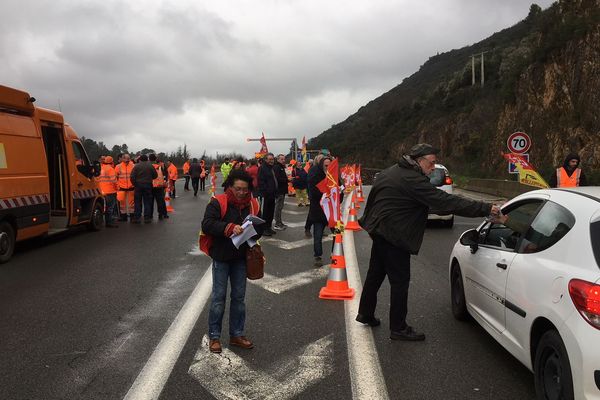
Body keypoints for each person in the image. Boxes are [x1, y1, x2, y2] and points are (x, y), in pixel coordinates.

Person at [356, 143, 500, 341]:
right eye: (431, 163)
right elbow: (446, 201)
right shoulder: (413, 180)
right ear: (418, 160)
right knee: (400, 282)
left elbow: (372, 199)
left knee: (375, 275)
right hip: (395, 236)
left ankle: (365, 313)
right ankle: (398, 328)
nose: (433, 168)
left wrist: (370, 224)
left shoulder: (391, 171)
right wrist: (485, 208)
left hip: (380, 232)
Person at [201, 169, 262, 354]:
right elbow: (207, 224)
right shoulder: (218, 202)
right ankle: (214, 336)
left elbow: (260, 229)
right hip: (221, 256)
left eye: (245, 189)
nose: (242, 192)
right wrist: (229, 228)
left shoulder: (253, 204)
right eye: (238, 188)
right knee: (218, 298)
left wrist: (252, 230)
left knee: (239, 298)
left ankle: (236, 334)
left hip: (241, 258)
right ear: (229, 186)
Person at [307, 156, 332, 267]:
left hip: (332, 211)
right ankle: (318, 256)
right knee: (318, 235)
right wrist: (325, 194)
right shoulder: (315, 175)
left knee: (338, 233)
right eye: (326, 165)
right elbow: (313, 193)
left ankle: (335, 253)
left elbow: (340, 189)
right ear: (321, 165)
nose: (328, 167)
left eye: (330, 165)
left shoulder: (334, 176)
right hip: (318, 210)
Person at [130, 154, 158, 223]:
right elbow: (155, 175)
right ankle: (147, 218)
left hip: (138, 186)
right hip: (148, 185)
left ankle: (137, 217)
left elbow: (132, 177)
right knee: (147, 202)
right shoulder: (150, 166)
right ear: (147, 159)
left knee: (137, 202)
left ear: (140, 159)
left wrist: (135, 184)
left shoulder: (136, 166)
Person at [258, 153, 278, 236]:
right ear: (265, 160)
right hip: (266, 195)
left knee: (270, 212)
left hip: (272, 194)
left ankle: (269, 227)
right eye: (269, 159)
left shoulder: (271, 168)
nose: (271, 161)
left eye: (272, 159)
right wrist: (266, 192)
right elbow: (261, 182)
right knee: (265, 213)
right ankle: (264, 229)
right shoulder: (262, 168)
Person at [304, 155, 324, 238]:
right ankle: (307, 227)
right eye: (320, 159)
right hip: (315, 195)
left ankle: (321, 230)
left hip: (324, 195)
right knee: (312, 212)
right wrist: (310, 194)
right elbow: (310, 183)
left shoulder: (325, 169)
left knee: (323, 212)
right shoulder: (313, 169)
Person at [98, 156, 119, 228]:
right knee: (110, 208)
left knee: (104, 207)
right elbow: (114, 180)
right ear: (112, 162)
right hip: (110, 191)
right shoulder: (110, 169)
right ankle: (109, 222)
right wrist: (117, 188)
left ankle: (104, 221)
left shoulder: (100, 168)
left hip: (101, 191)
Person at [114, 153, 135, 221]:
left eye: (128, 159)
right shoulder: (118, 167)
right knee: (122, 203)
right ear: (123, 159)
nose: (127, 160)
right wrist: (117, 186)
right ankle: (123, 216)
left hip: (131, 187)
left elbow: (135, 176)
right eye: (126, 159)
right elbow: (115, 177)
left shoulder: (133, 166)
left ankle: (132, 216)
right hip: (121, 187)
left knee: (131, 203)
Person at [150, 154, 169, 219]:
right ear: (155, 160)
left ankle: (150, 215)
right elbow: (164, 176)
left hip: (150, 187)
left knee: (150, 202)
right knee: (161, 201)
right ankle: (161, 214)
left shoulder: (148, 167)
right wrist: (165, 184)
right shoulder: (160, 167)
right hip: (159, 186)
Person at [273, 154, 289, 231]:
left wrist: (287, 179)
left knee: (280, 207)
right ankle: (277, 224)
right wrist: (287, 180)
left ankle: (279, 222)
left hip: (282, 190)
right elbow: (277, 179)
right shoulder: (277, 167)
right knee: (278, 207)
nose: (283, 160)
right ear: (278, 160)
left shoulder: (281, 167)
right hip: (279, 190)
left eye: (284, 159)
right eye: (281, 159)